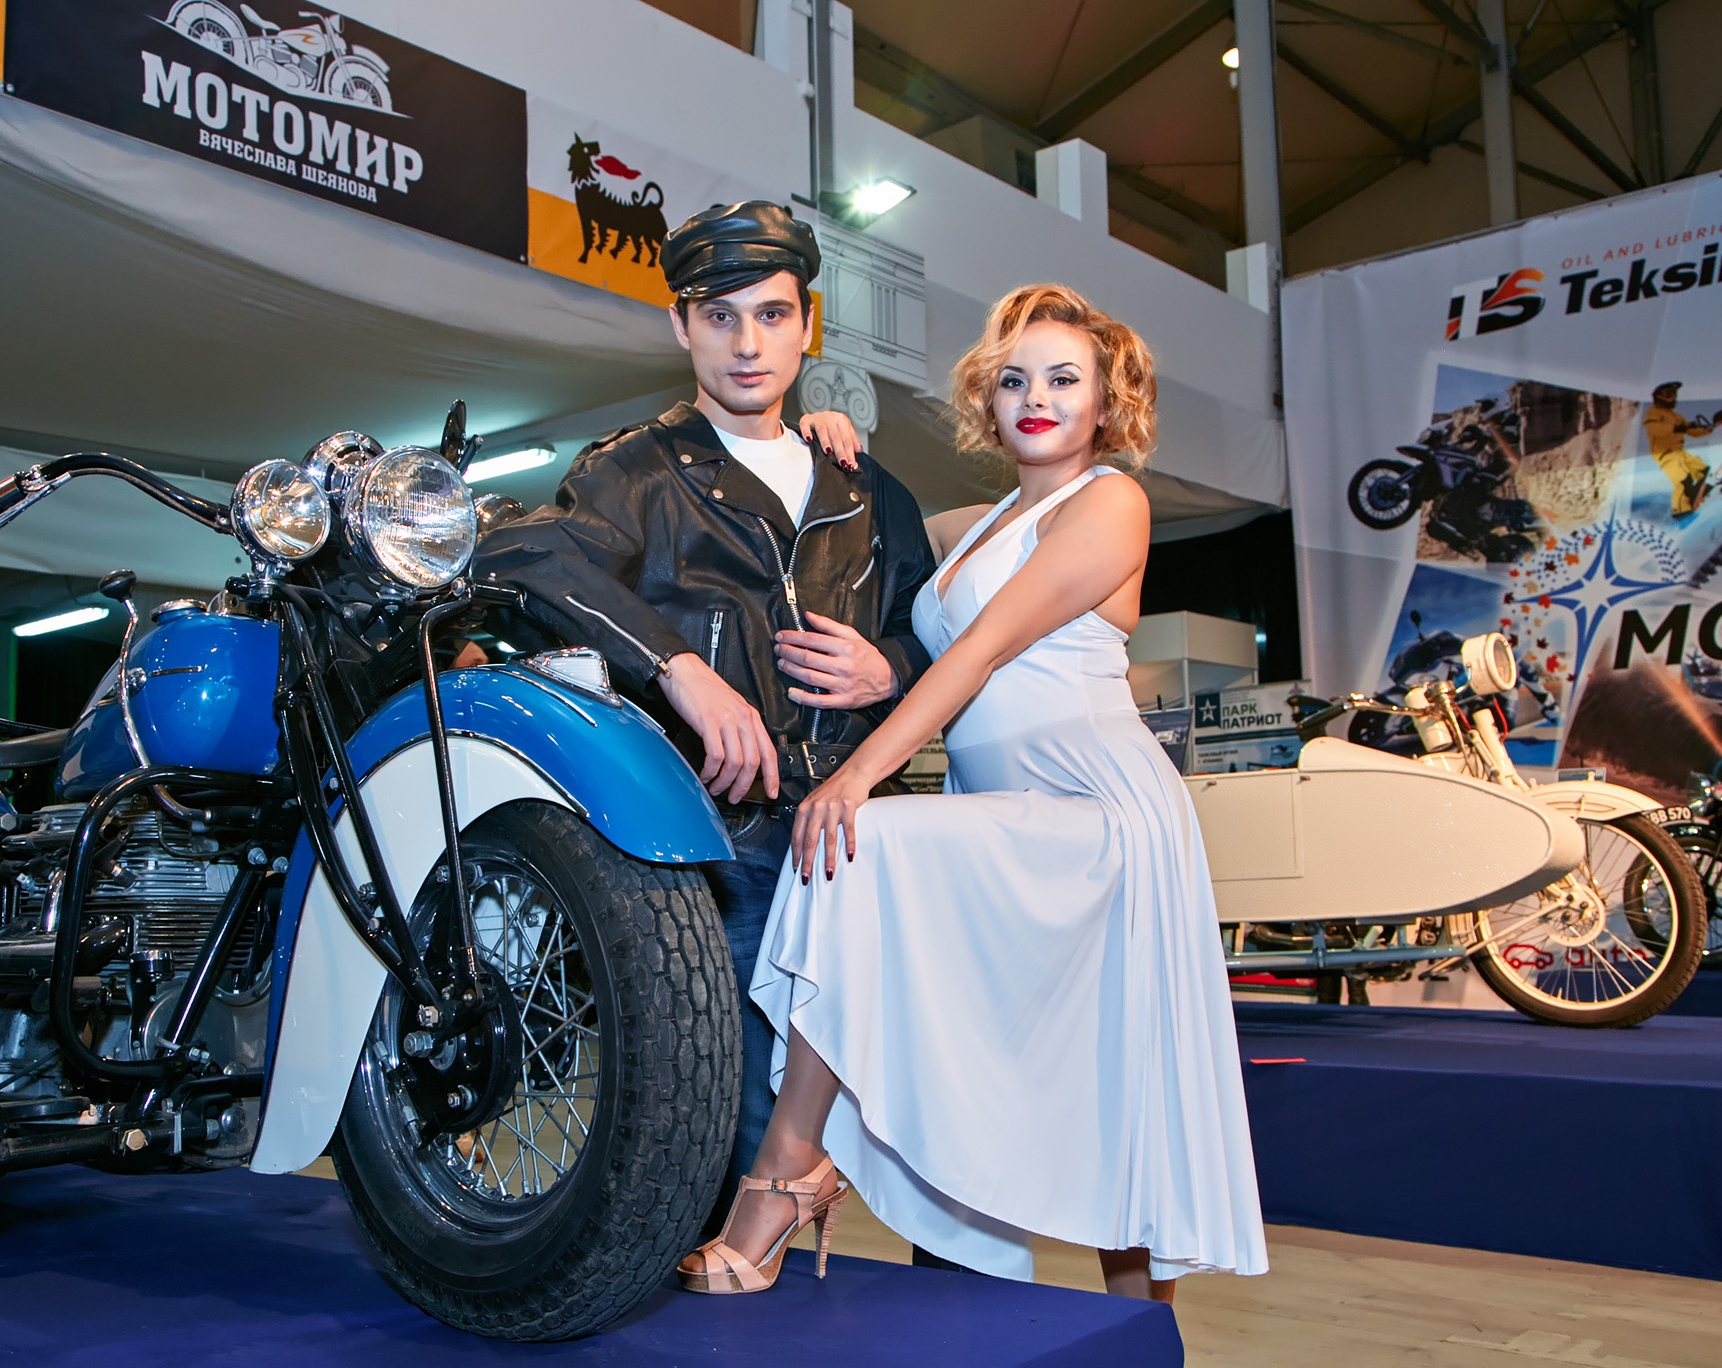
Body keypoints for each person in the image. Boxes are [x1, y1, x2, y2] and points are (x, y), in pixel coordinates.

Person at [676, 283, 1268, 1301]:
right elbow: (881, 522)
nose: (1037, 399)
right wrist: (831, 443)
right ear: (987, 400)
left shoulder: (1111, 501)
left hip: (1095, 806)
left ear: (1107, 399)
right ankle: (806, 1175)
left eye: (1065, 379)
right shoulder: (985, 520)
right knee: (1075, 1065)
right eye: (1014, 380)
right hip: (1003, 800)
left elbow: (982, 649)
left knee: (1114, 1066)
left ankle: (787, 1173)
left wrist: (860, 771)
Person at [473, 200, 936, 1204]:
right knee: (725, 1096)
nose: (747, 343)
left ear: (807, 325)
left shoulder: (869, 491)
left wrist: (890, 667)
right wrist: (680, 665)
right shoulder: (634, 471)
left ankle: (937, 1279)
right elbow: (522, 555)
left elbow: (935, 632)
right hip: (718, 837)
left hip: (863, 826)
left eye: (771, 315)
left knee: (919, 1090)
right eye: (719, 316)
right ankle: (735, 1274)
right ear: (681, 326)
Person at [1643, 381, 1714, 518]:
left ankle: (1700, 494)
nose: (1672, 398)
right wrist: (1675, 428)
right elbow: (1655, 429)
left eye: (1674, 394)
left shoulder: (1676, 416)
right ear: (1659, 396)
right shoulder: (1653, 414)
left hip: (1678, 452)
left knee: (1702, 469)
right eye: (1668, 394)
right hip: (1664, 454)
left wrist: (1706, 430)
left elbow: (1690, 430)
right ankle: (1681, 512)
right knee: (1683, 480)